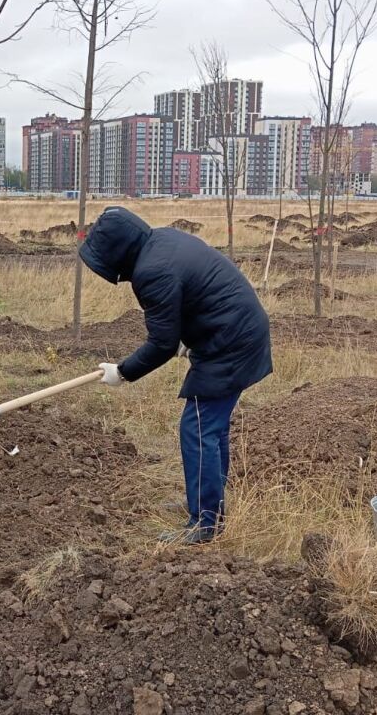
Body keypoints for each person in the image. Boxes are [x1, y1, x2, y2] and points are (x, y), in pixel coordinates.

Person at [79, 206, 272, 544]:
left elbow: (161, 344)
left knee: (198, 428)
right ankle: (208, 504)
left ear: (117, 253)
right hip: (236, 333)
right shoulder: (162, 241)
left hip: (230, 343)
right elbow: (192, 297)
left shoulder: (152, 272)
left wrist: (123, 372)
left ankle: (204, 524)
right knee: (211, 429)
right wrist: (189, 335)